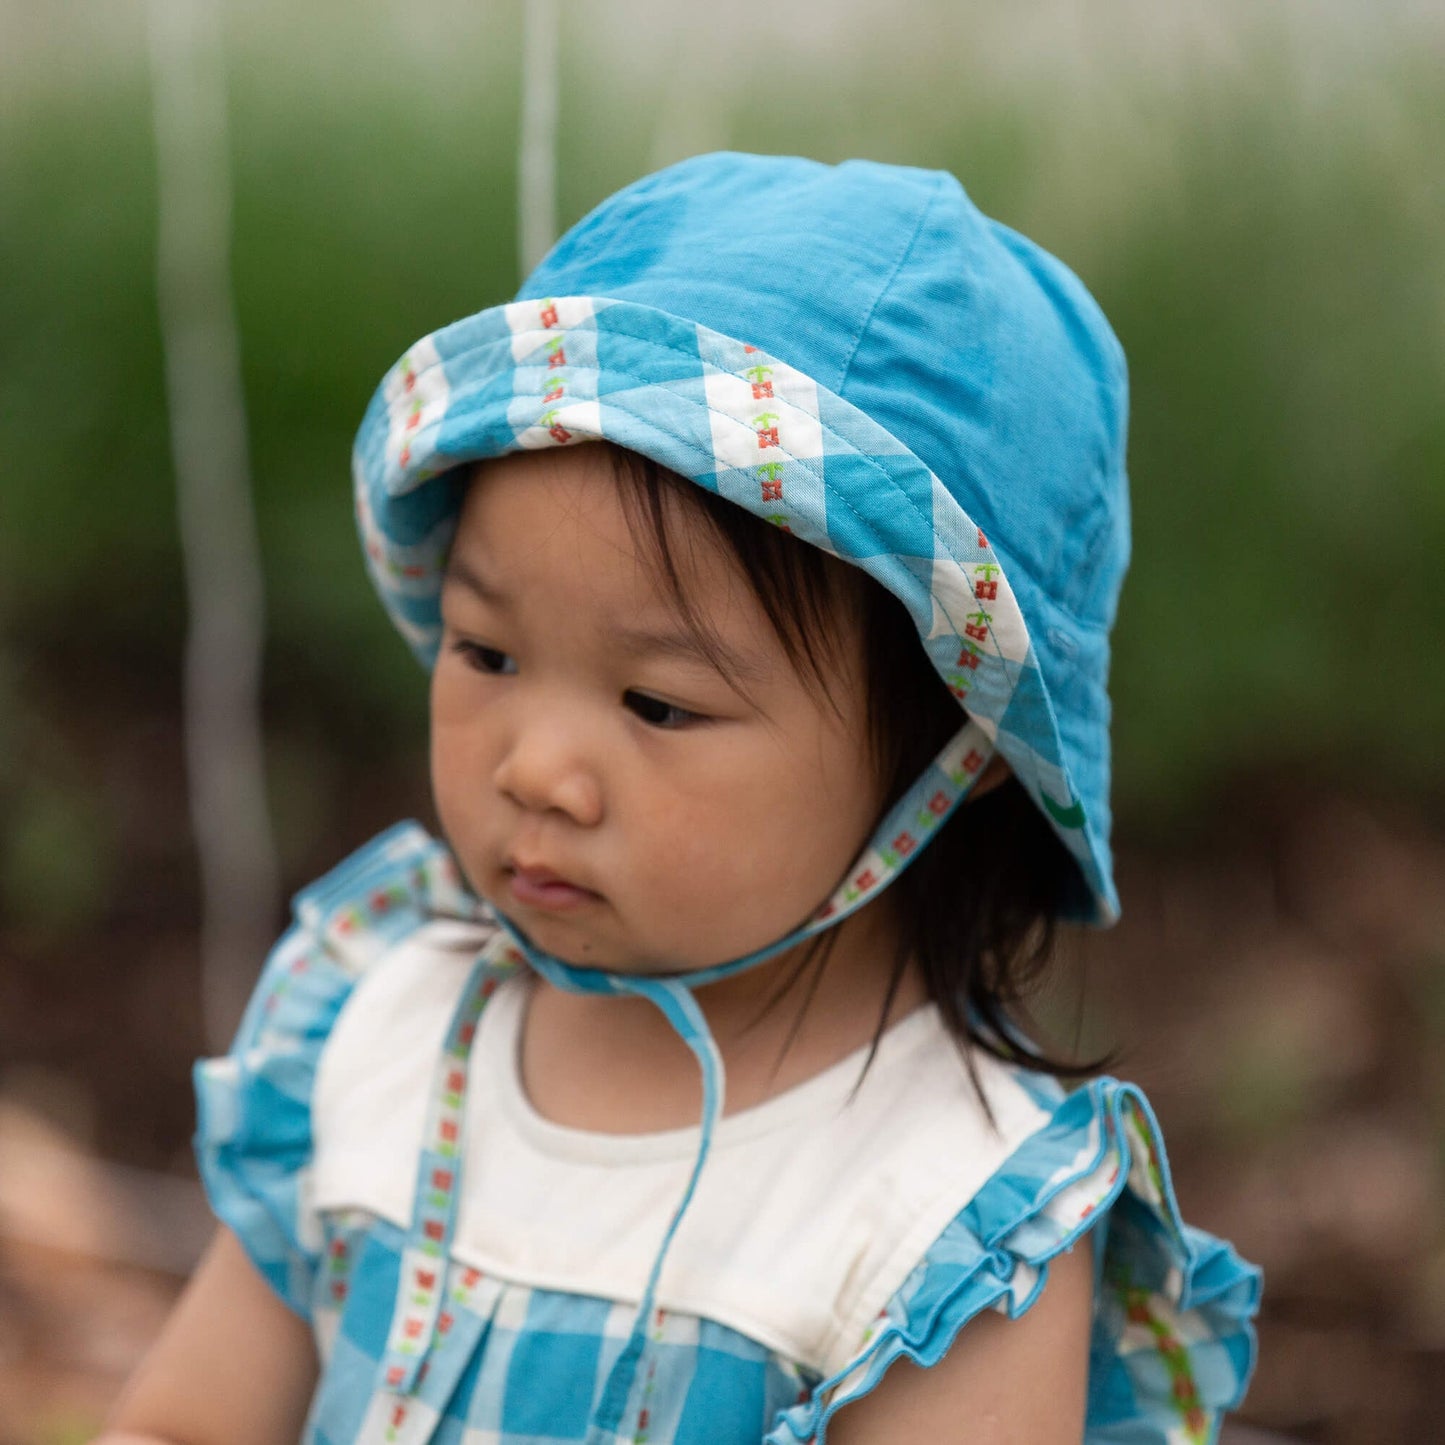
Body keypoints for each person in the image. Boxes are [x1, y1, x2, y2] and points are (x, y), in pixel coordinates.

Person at [99, 153, 1260, 1445]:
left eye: (657, 704)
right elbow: (187, 1423)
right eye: (487, 651)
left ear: (959, 754)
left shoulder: (943, 1213)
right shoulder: (381, 1034)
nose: (535, 767)